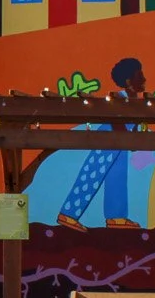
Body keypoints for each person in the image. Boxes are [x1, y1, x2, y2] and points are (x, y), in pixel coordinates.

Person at [57, 56, 146, 231]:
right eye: (139, 76)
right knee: (92, 174)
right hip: (108, 140)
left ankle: (116, 217)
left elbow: (133, 132)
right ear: (128, 81)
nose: (144, 80)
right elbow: (119, 124)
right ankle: (68, 214)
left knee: (117, 177)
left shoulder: (136, 103)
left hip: (121, 144)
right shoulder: (119, 99)